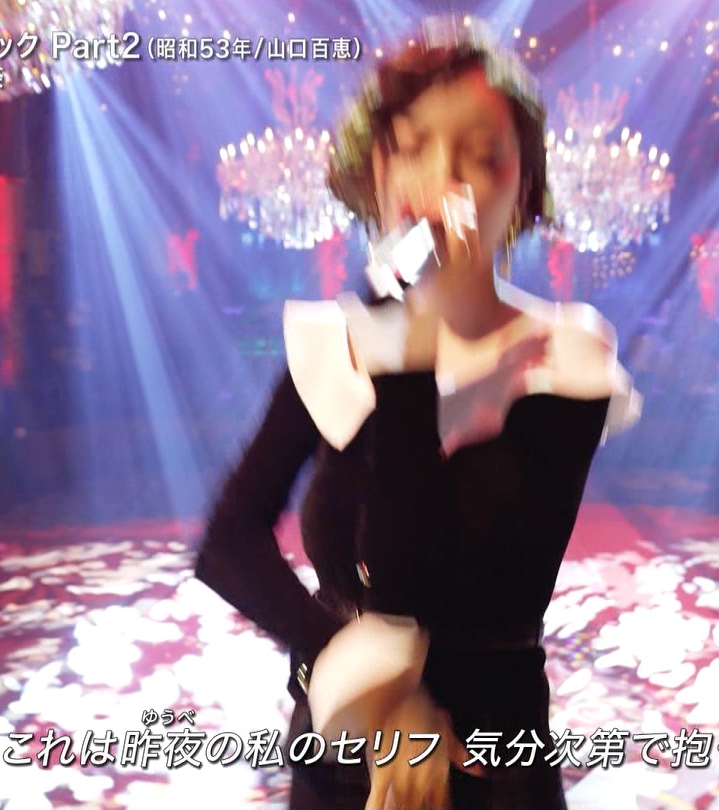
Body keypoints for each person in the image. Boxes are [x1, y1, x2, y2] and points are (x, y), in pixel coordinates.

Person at [194, 17, 638, 810]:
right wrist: (370, 689)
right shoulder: (337, 340)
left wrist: (406, 354)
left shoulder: (565, 355)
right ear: (381, 171)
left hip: (491, 767)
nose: (446, 179)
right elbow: (226, 544)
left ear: (524, 186)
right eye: (414, 147)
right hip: (344, 758)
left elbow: (420, 574)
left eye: (483, 154)